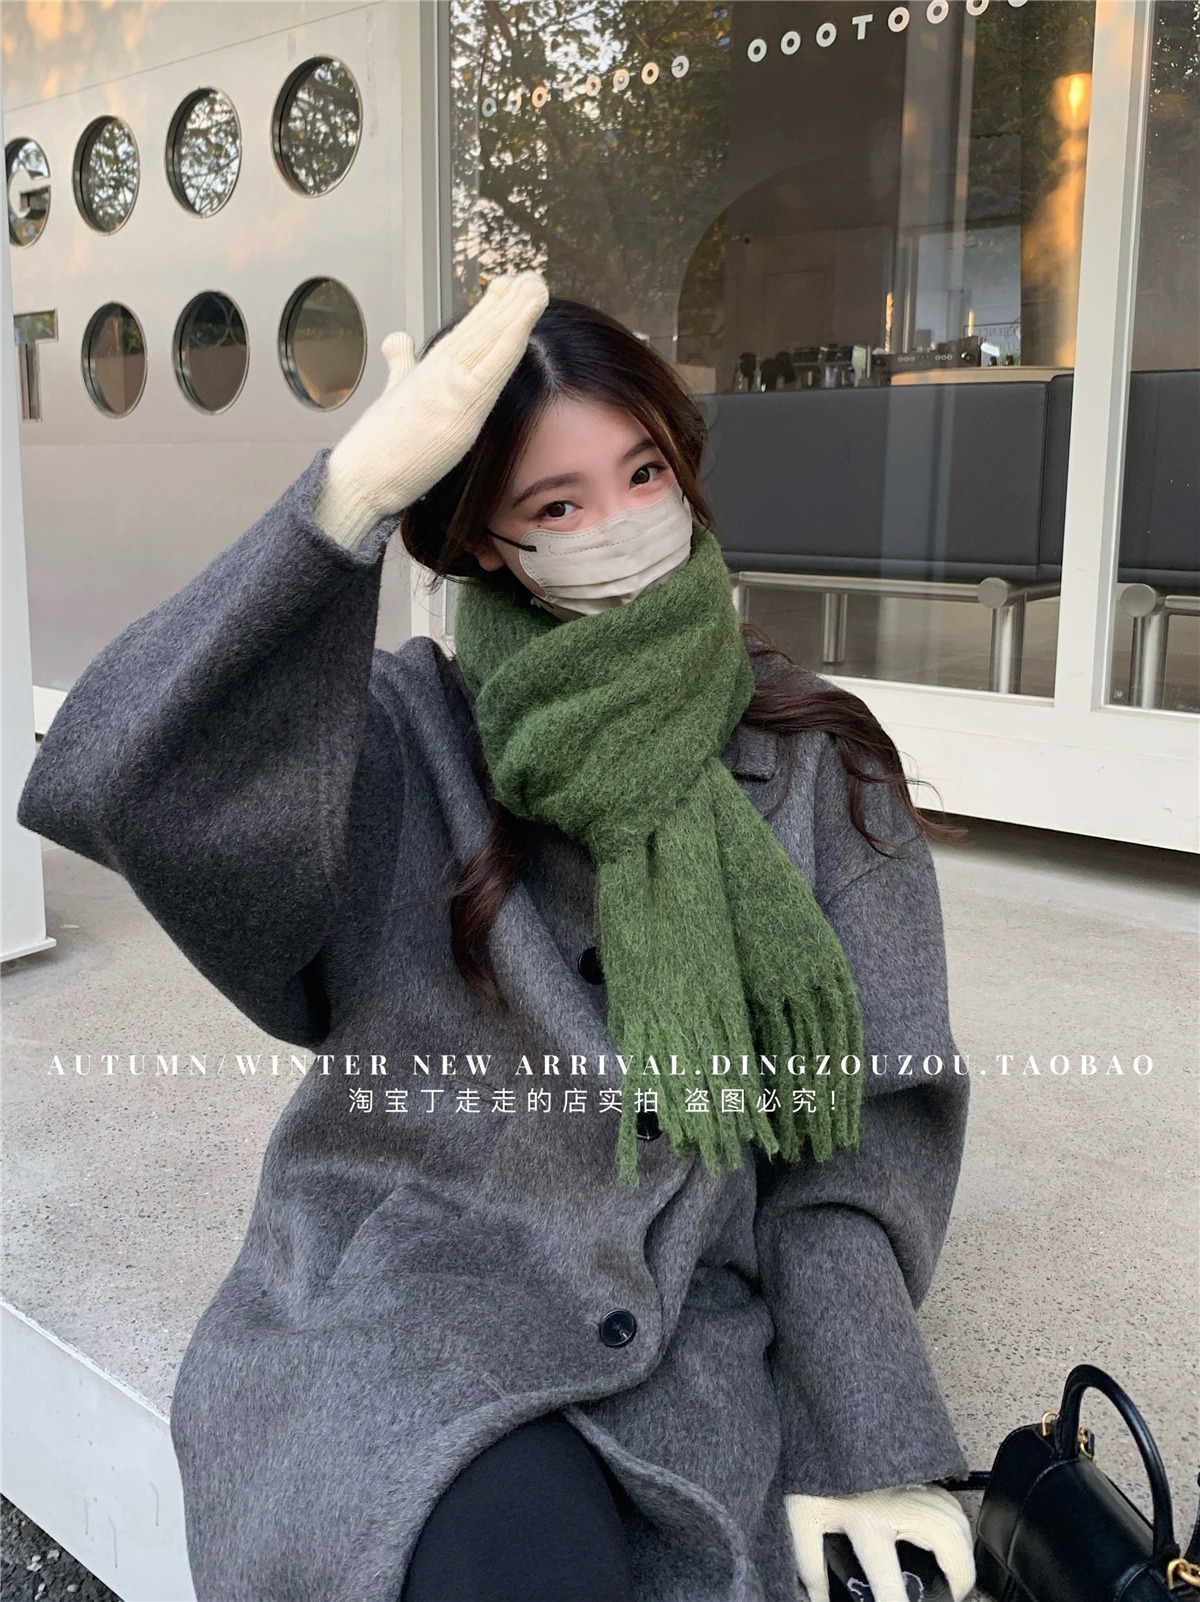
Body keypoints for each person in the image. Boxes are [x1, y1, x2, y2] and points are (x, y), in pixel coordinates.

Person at [16, 272, 977, 1602]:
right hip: (421, 1295)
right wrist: (342, 505)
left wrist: (868, 1434)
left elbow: (855, 1146)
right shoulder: (403, 737)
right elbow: (120, 776)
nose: (622, 528)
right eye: (558, 505)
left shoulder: (820, 762)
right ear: (485, 544)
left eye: (644, 474)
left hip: (676, 1319)